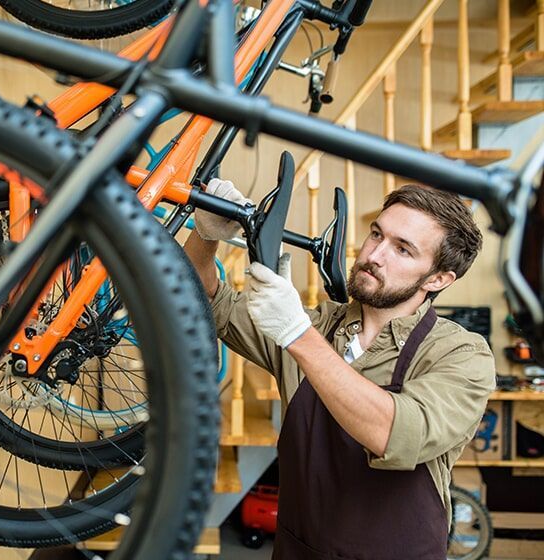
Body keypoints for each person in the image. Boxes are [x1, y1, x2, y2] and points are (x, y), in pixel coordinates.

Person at [184, 180, 496, 560]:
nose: (374, 255)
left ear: (438, 279)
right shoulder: (322, 327)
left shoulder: (460, 354)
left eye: (402, 249)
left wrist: (297, 333)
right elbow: (206, 303)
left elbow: (395, 433)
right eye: (376, 234)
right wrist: (205, 236)